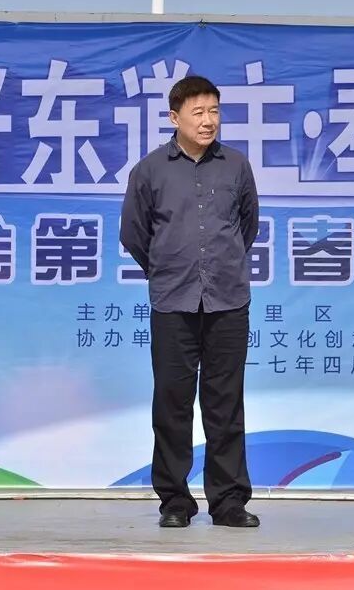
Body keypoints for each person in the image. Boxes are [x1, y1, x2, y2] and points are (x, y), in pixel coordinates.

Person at [120, 75, 260, 529]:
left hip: (227, 301)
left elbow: (247, 226)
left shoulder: (236, 166)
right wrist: (166, 268)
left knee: (226, 404)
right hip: (173, 302)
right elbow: (134, 233)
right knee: (172, 404)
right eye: (197, 112)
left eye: (214, 111)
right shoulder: (149, 171)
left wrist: (221, 264)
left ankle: (229, 501)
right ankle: (175, 501)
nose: (208, 121)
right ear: (174, 117)